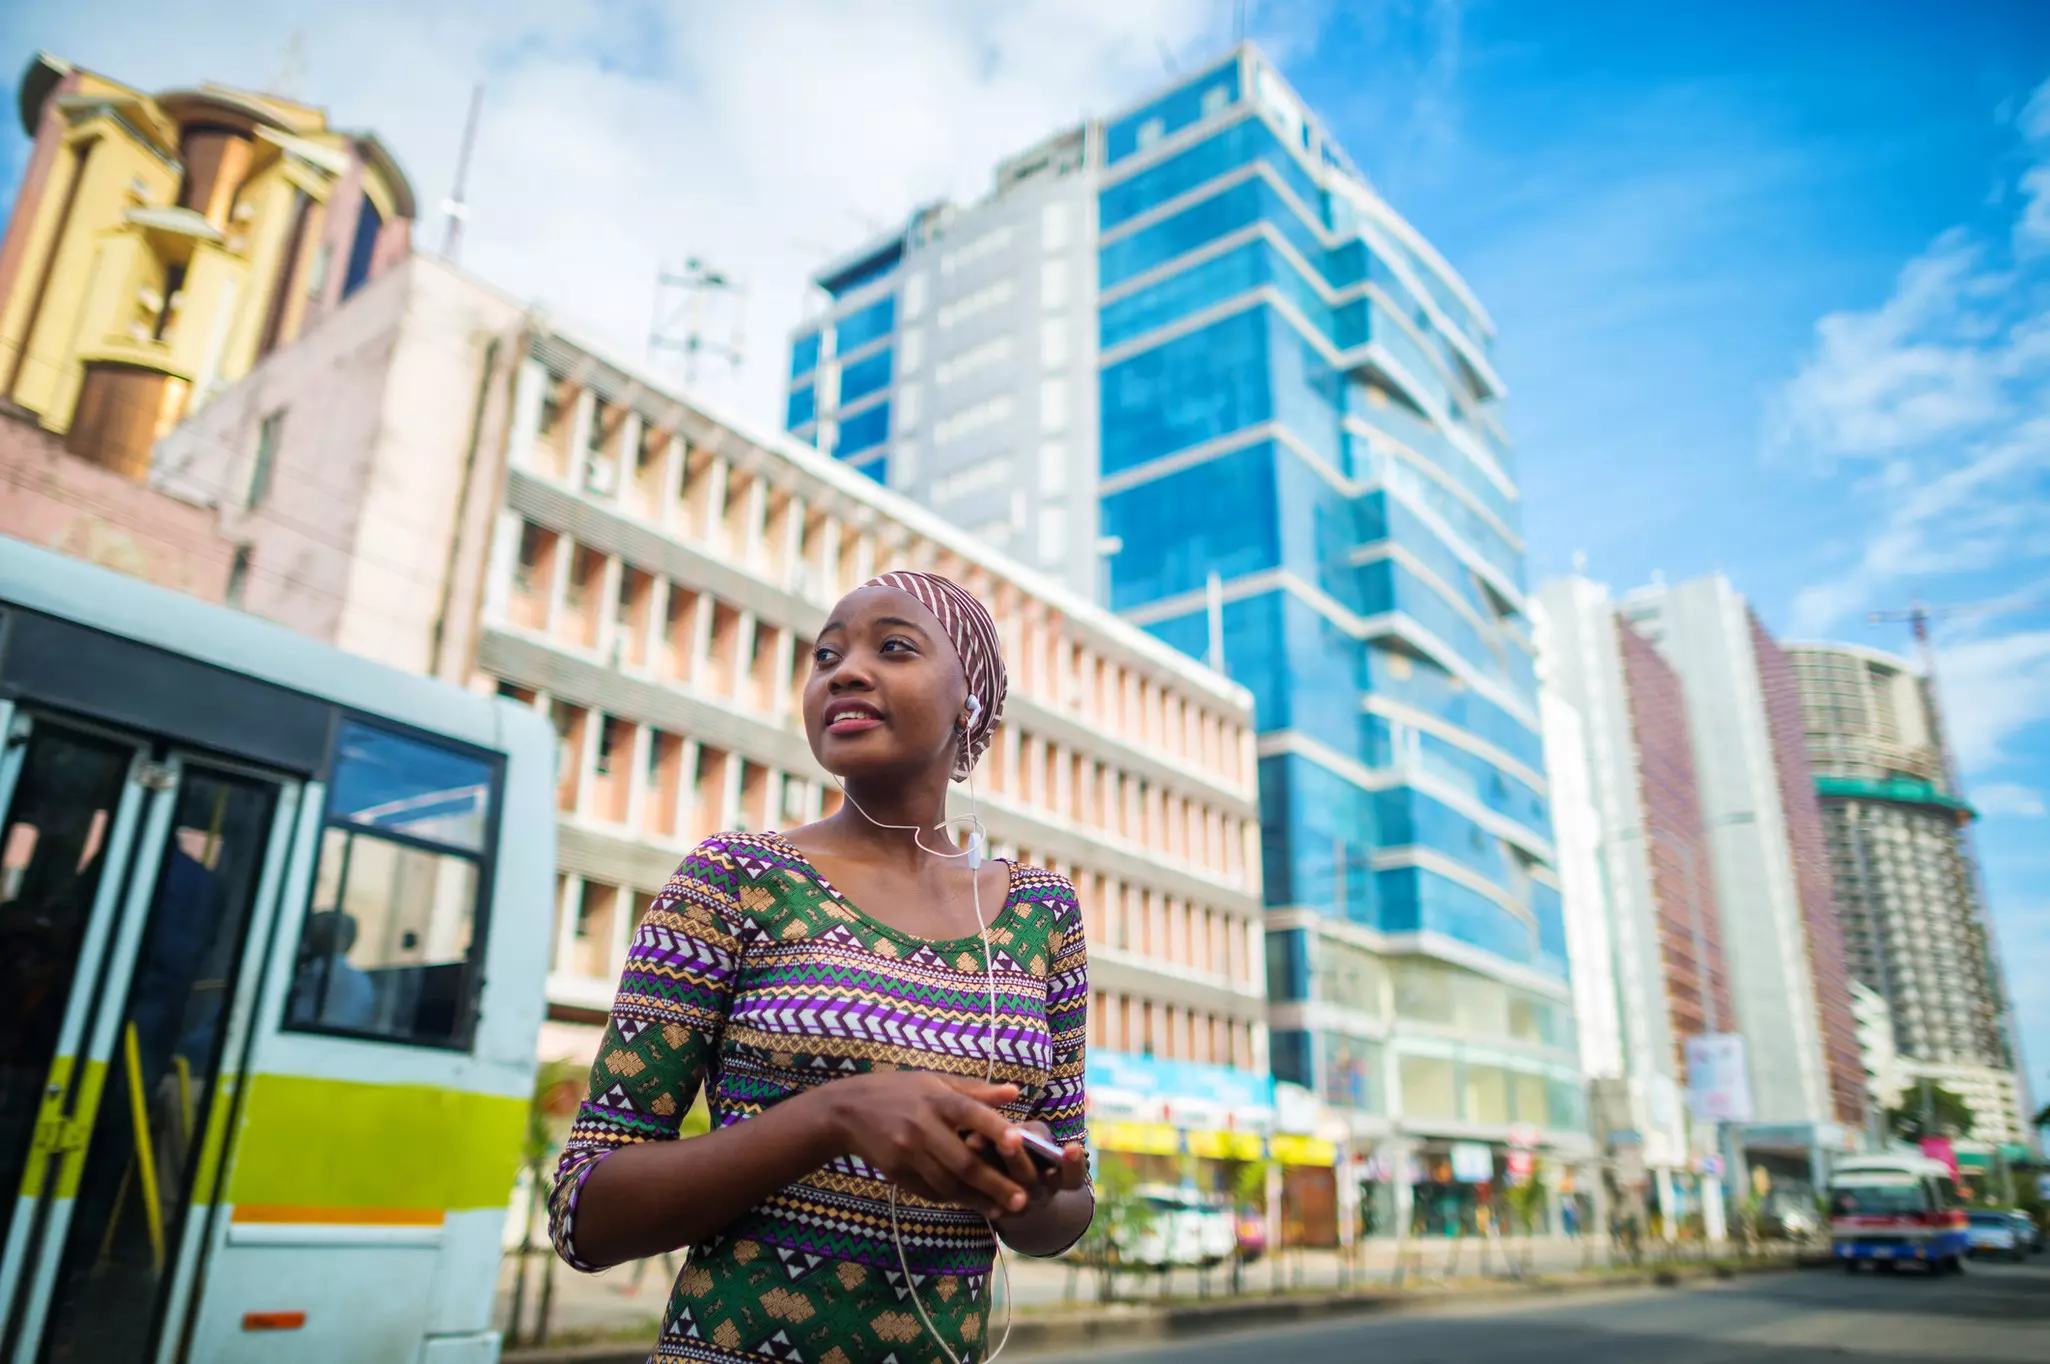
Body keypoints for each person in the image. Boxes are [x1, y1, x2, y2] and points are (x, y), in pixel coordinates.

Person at [550, 570, 1093, 1364]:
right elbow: (583, 1216)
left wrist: (1026, 1188)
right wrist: (833, 1118)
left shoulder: (1042, 912)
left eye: (894, 647)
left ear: (969, 700)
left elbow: (1066, 1215)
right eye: (825, 654)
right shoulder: (731, 878)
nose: (843, 669)